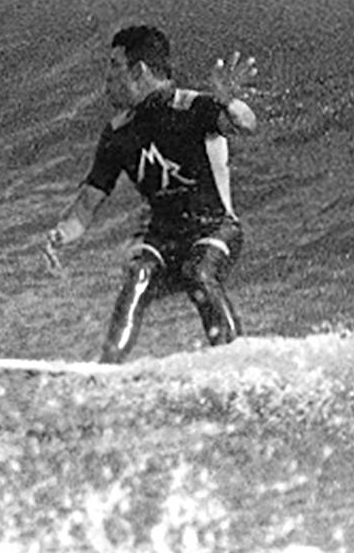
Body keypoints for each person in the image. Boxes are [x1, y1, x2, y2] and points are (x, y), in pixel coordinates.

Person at [42, 25, 258, 363]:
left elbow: (243, 125)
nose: (107, 78)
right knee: (138, 274)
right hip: (163, 237)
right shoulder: (118, 134)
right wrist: (62, 233)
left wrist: (230, 103)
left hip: (216, 229)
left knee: (198, 273)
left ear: (139, 70)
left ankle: (234, 362)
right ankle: (107, 370)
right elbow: (88, 203)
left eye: (114, 66)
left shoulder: (193, 108)